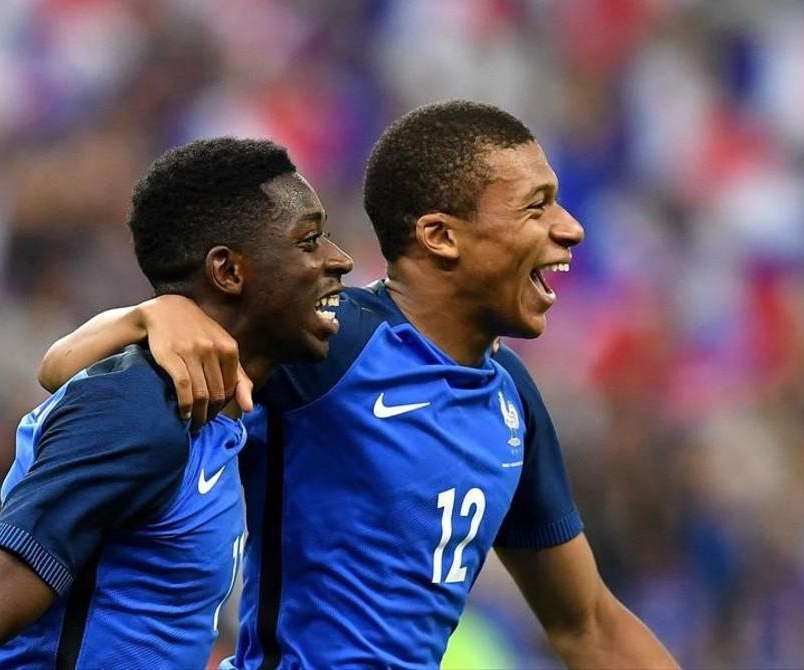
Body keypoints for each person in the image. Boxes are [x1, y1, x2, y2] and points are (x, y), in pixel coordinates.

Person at [38, 101, 679, 668]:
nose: (570, 228)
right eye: (537, 208)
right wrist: (154, 314)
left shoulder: (510, 396)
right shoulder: (329, 342)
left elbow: (587, 623)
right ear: (440, 237)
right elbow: (65, 368)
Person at [0, 138, 353, 669]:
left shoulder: (219, 411)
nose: (339, 259)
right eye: (309, 241)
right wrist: (142, 317)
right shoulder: (139, 412)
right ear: (229, 272)